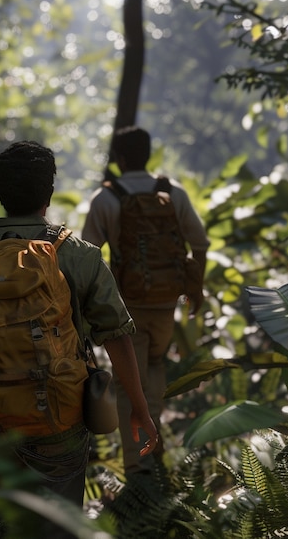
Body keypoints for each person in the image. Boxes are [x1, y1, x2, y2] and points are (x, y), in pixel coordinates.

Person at [0, 141, 158, 536]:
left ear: (0, 193)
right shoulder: (77, 253)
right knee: (59, 524)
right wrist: (139, 409)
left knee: (7, 522)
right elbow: (117, 336)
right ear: (48, 194)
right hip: (61, 413)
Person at [82, 126, 209, 478]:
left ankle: (139, 467)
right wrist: (194, 288)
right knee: (154, 367)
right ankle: (154, 452)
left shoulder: (105, 199)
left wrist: (92, 308)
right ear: (148, 155)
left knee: (127, 383)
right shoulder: (174, 193)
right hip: (166, 302)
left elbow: (89, 258)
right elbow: (200, 244)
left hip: (126, 308)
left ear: (120, 159)